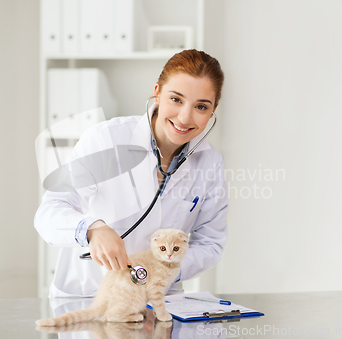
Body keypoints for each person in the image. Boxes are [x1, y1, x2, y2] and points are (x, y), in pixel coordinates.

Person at [34, 49, 229, 298]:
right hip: (90, 298)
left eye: (201, 106)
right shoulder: (106, 139)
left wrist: (165, 268)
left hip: (159, 300)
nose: (184, 117)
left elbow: (210, 243)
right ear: (157, 92)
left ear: (213, 109)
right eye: (176, 99)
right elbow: (49, 213)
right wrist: (92, 229)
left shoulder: (210, 163)